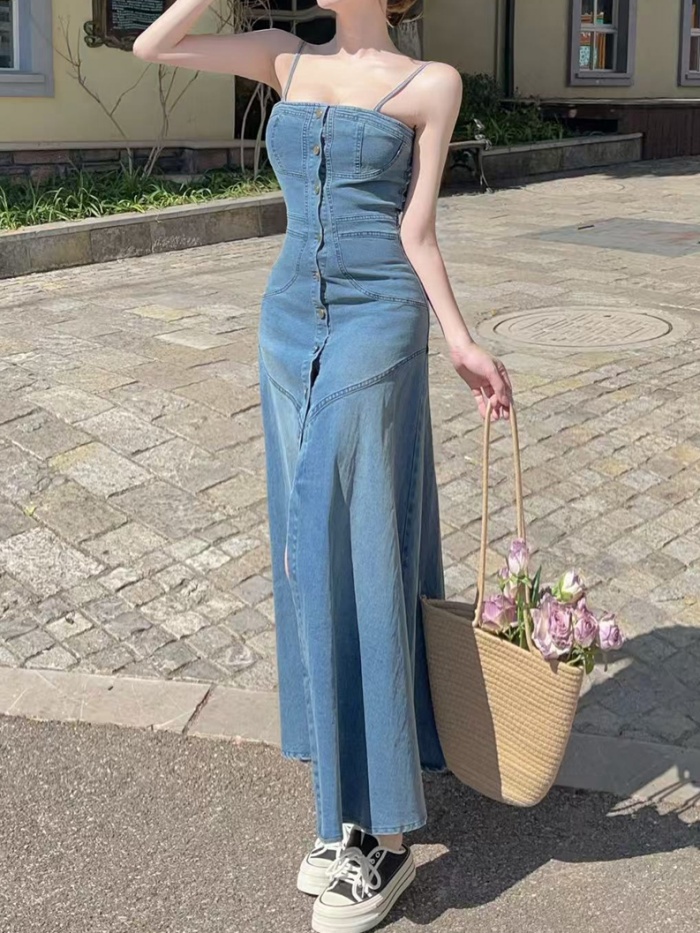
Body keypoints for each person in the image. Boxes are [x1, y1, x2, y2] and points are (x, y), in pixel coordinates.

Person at [134, 2, 513, 931]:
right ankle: (343, 800)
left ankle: (385, 834)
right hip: (286, 325)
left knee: (358, 545)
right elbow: (154, 45)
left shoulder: (431, 83)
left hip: (379, 319)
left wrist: (461, 342)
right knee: (308, 550)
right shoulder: (281, 58)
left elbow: (418, 230)